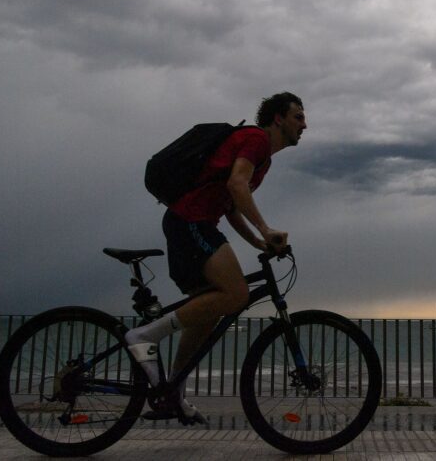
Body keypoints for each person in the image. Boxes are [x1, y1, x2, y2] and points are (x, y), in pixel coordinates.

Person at [125, 92, 307, 424]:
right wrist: (266, 230)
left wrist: (258, 242)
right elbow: (238, 184)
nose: (304, 124)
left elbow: (232, 206)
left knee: (209, 311)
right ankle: (145, 336)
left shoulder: (263, 161)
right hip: (191, 221)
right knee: (236, 295)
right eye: (298, 116)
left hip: (194, 223)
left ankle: (171, 393)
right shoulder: (256, 140)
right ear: (278, 119)